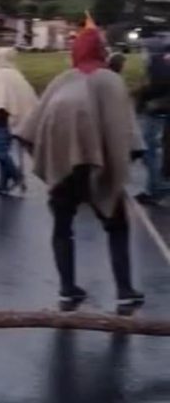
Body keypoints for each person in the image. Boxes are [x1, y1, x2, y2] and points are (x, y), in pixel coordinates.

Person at [15, 25, 146, 308]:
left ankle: (67, 289)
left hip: (64, 170)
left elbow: (29, 129)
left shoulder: (61, 80)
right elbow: (128, 133)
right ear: (101, 50)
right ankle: (124, 291)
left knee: (63, 226)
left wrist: (50, 162)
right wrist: (122, 167)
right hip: (99, 168)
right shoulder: (111, 81)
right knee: (117, 226)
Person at [0, 47, 38, 195]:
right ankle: (3, 183)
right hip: (10, 119)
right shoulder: (16, 75)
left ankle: (17, 176)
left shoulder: (2, 75)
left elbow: (0, 100)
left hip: (1, 120)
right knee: (3, 151)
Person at [134, 38, 170, 204]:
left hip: (156, 111)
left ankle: (156, 186)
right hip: (160, 109)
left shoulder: (158, 64)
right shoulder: (161, 62)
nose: (143, 53)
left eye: (144, 49)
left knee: (148, 150)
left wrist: (142, 95)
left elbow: (157, 86)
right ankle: (156, 185)